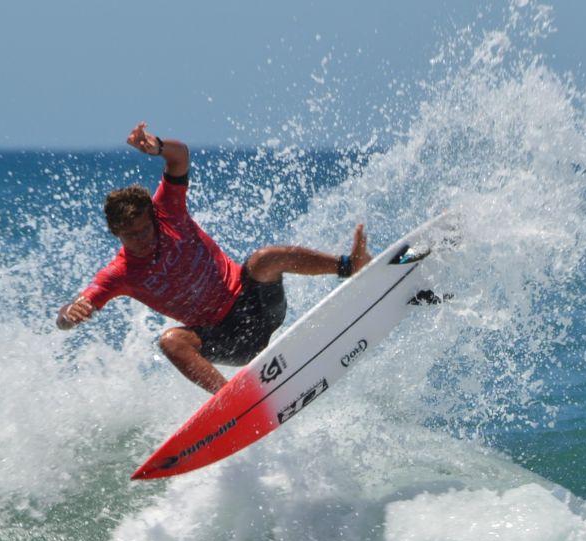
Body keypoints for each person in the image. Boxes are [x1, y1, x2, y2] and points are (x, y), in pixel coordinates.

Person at [56, 122, 371, 394]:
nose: (140, 239)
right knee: (170, 342)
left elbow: (179, 158)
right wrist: (71, 313)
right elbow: (66, 318)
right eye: (130, 235)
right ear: (116, 234)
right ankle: (231, 401)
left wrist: (158, 148)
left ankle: (349, 265)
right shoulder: (120, 273)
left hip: (258, 306)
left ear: (152, 217)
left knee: (265, 258)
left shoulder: (168, 212)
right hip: (227, 339)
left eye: (143, 229)